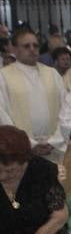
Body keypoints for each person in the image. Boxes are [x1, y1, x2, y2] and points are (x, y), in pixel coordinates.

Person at [0, 28, 64, 161]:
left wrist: (55, 140)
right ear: (15, 49)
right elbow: (2, 114)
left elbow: (66, 109)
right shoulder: (3, 76)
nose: (32, 49)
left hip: (54, 146)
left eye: (35, 45)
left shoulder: (52, 74)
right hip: (20, 149)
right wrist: (29, 143)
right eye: (26, 46)